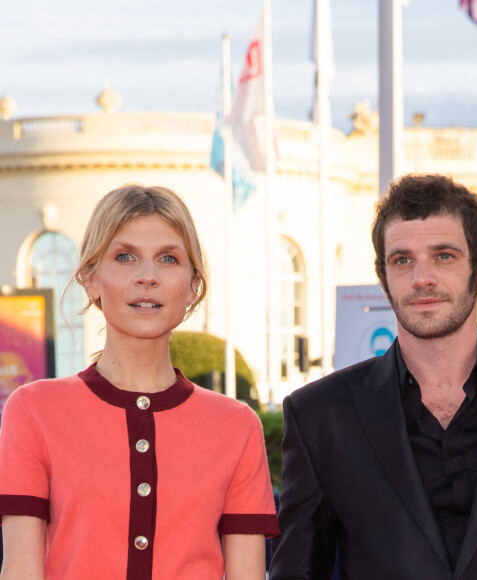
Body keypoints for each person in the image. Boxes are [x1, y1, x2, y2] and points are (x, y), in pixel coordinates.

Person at [270, 174, 477, 579]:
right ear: (383, 278)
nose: (422, 278)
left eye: (444, 256)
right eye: (403, 260)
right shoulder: (320, 417)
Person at [0, 184, 279, 579]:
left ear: (192, 286)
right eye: (125, 257)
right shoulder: (33, 412)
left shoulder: (237, 427)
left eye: (167, 258)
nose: (147, 276)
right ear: (91, 279)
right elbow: (20, 571)